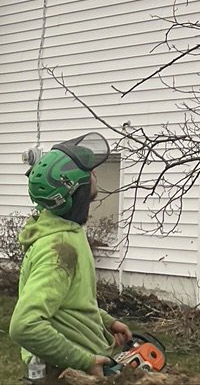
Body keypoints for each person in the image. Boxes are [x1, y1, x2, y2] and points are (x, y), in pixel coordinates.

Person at [9, 132, 132, 381]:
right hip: (63, 373)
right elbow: (25, 325)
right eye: (89, 174)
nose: (95, 175)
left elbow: (69, 302)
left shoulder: (67, 233)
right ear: (74, 191)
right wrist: (83, 361)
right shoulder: (59, 248)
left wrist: (105, 320)